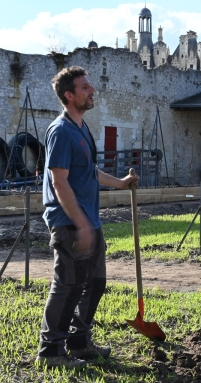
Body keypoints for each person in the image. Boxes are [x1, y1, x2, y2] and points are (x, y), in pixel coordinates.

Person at [36, 66, 138, 368]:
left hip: (89, 221)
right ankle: (51, 351)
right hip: (69, 222)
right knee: (67, 284)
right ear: (69, 95)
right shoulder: (60, 131)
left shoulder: (80, 128)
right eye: (85, 87)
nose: (92, 89)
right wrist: (80, 224)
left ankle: (78, 342)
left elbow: (87, 171)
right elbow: (59, 181)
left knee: (94, 283)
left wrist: (120, 183)